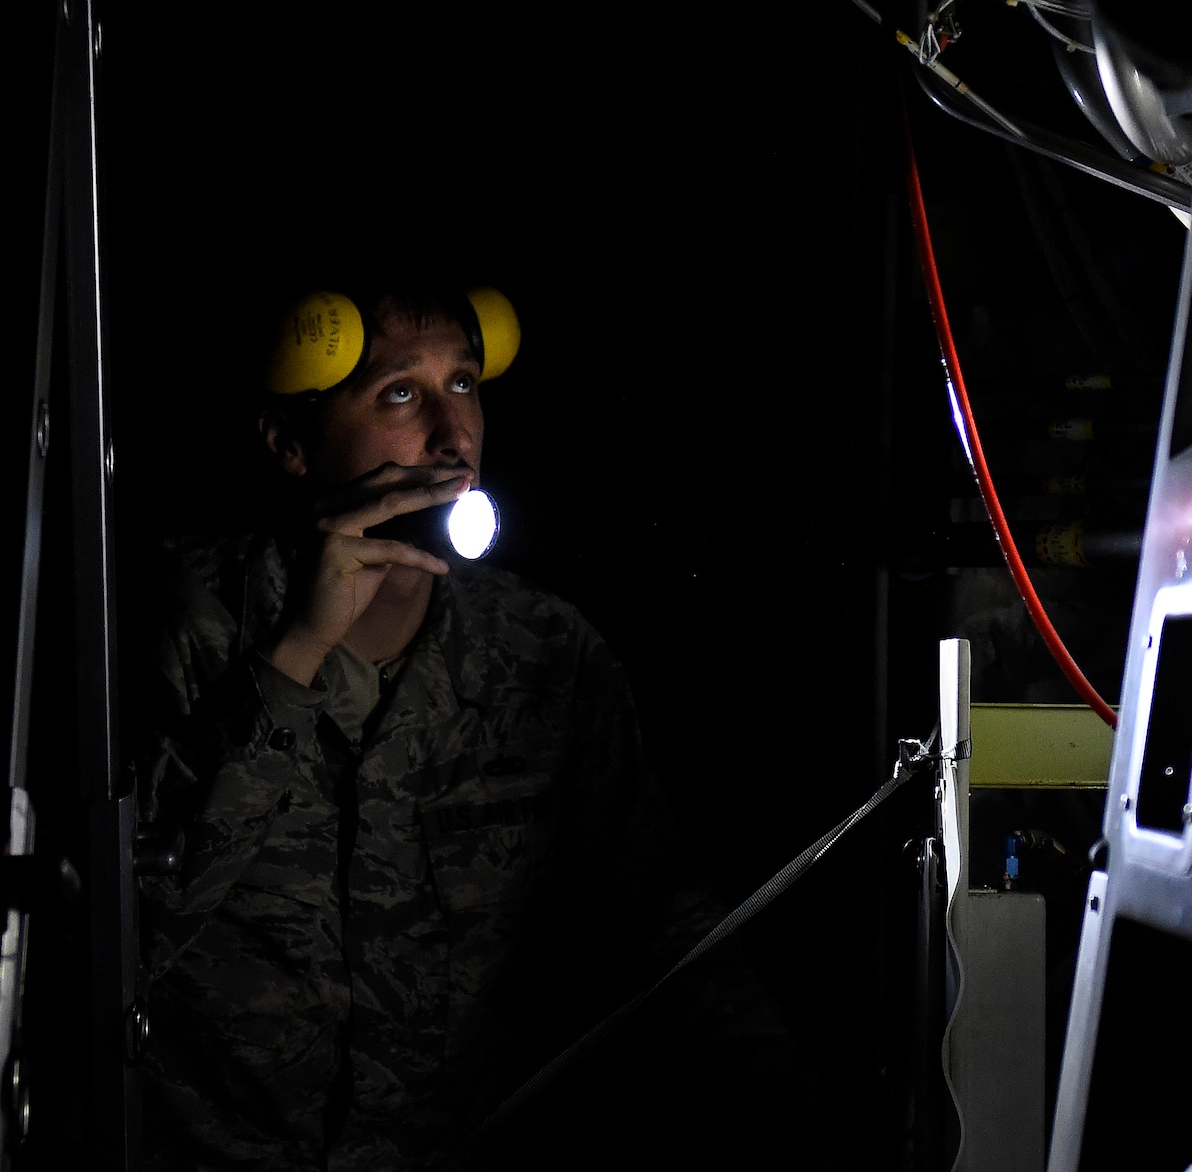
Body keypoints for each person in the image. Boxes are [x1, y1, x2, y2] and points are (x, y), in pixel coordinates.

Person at [135, 289, 797, 1169]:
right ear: (291, 444)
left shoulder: (540, 652)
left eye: (464, 383)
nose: (453, 434)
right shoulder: (180, 621)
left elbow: (670, 926)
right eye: (400, 395)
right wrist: (295, 653)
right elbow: (120, 935)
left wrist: (803, 1135)